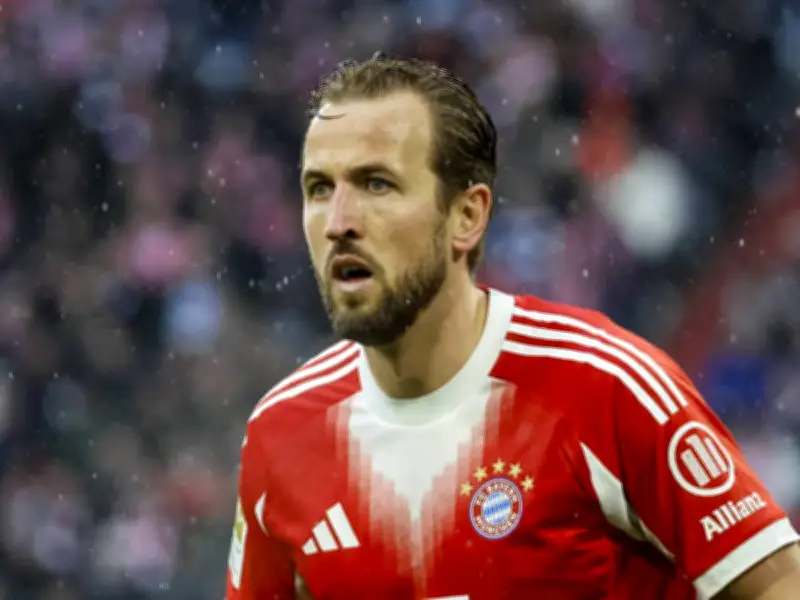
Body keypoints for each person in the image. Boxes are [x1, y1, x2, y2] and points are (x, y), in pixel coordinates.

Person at [224, 53, 800, 600]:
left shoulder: (605, 387)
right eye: (319, 188)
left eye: (377, 184)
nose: (339, 222)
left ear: (467, 215)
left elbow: (778, 585)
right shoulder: (281, 434)